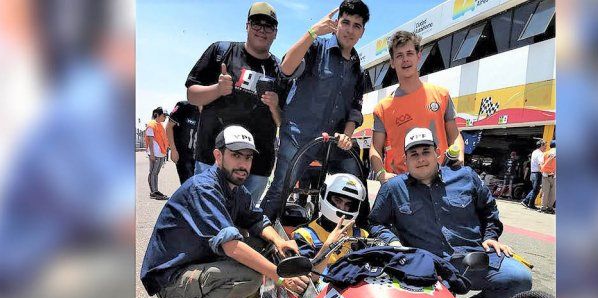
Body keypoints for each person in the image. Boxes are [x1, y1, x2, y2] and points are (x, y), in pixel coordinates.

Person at [140, 126, 310, 298]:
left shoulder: (235, 188)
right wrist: (280, 277)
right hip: (170, 277)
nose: (243, 164)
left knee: (264, 247)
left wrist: (280, 242)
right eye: (236, 155)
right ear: (218, 156)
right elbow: (232, 247)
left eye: (248, 158)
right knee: (250, 277)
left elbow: (256, 220)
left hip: (196, 261)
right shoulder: (204, 188)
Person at [369, 127, 532, 298]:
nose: (420, 159)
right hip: (430, 267)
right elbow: (375, 223)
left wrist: (490, 236)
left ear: (437, 153)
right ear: (405, 160)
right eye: (414, 154)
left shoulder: (466, 177)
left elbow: (489, 210)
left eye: (426, 152)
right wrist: (393, 242)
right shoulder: (392, 188)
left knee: (520, 279)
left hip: (474, 258)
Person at [261, 0, 370, 223]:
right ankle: (259, 232)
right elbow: (286, 68)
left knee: (357, 179)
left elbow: (355, 109)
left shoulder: (359, 68)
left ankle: (361, 231)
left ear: (362, 32)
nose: (350, 30)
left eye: (356, 26)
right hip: (298, 136)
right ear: (336, 24)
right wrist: (312, 32)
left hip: (334, 143)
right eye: (345, 22)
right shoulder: (315, 47)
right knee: (281, 187)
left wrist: (347, 136)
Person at [185, 2, 288, 205]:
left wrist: (275, 106)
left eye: (268, 26)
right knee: (205, 221)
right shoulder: (221, 51)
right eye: (256, 23)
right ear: (247, 25)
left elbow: (283, 122)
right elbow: (191, 95)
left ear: (275, 33)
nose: (262, 30)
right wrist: (217, 89)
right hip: (212, 159)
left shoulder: (281, 70)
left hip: (257, 166)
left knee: (242, 226)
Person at [369, 31, 464, 184]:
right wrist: (381, 173)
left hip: (441, 180)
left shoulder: (441, 95)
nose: (405, 59)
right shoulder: (382, 109)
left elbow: (454, 135)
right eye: (399, 55)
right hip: (403, 185)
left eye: (409, 53)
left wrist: (459, 155)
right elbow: (375, 148)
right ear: (392, 62)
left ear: (419, 56)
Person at [293, 173, 369, 276]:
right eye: (337, 200)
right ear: (325, 196)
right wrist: (329, 245)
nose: (342, 208)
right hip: (320, 290)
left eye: (348, 204)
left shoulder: (362, 235)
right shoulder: (304, 235)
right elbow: (307, 278)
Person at [165, 101, 201, 185]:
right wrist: (173, 150)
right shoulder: (183, 107)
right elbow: (169, 127)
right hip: (183, 155)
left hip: (198, 156)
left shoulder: (209, 112)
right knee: (188, 185)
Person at [145, 107, 169, 200]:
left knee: (156, 173)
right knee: (153, 173)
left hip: (160, 154)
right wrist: (152, 154)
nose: (165, 118)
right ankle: (154, 192)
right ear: (157, 115)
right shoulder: (151, 125)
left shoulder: (159, 125)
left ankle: (155, 191)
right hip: (155, 154)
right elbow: (150, 141)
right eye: (164, 115)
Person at [521, 138, 548, 209]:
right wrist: (544, 173)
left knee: (535, 189)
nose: (546, 147)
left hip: (533, 173)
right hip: (537, 174)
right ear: (541, 145)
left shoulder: (534, 152)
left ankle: (526, 201)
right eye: (545, 145)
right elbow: (540, 164)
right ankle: (530, 204)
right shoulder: (540, 154)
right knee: (536, 190)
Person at [539, 140, 556, 213]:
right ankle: (550, 207)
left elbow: (540, 164)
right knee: (553, 193)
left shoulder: (545, 153)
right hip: (555, 176)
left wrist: (544, 172)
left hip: (545, 175)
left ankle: (543, 208)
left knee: (545, 192)